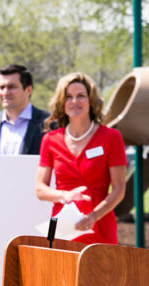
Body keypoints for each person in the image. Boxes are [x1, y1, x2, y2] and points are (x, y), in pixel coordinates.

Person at [35, 72, 127, 244]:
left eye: (81, 96)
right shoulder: (50, 140)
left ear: (91, 101)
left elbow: (119, 188)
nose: (74, 101)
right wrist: (65, 195)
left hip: (99, 225)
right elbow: (40, 189)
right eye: (68, 97)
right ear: (62, 103)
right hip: (63, 228)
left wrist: (94, 216)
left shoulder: (111, 137)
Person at [0, 64, 50, 155]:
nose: (5, 93)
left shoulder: (50, 124)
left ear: (28, 90)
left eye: (12, 87)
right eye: (1, 87)